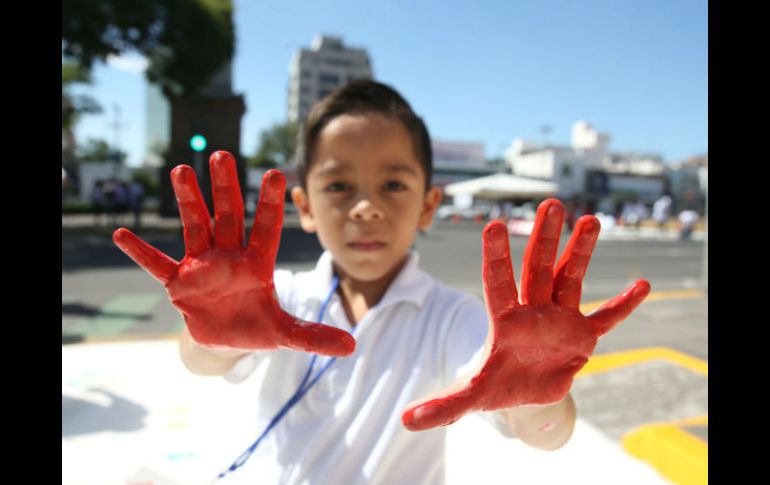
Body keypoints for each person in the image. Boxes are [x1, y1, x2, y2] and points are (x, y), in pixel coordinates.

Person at [112, 80, 650, 484]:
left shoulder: (456, 319)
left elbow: (547, 436)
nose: (367, 207)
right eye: (340, 184)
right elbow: (200, 361)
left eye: (393, 183)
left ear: (429, 204)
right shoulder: (286, 298)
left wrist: (537, 399)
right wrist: (217, 335)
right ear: (303, 205)